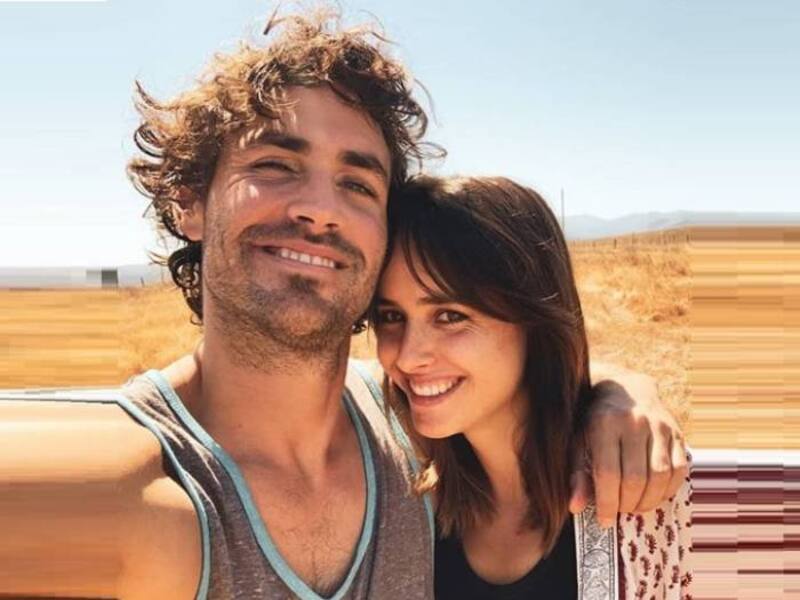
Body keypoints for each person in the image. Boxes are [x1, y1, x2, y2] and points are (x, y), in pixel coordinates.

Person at [0, 10, 688, 600]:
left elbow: (517, 367)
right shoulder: (132, 479)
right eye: (275, 165)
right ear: (189, 202)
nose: (320, 210)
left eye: (358, 185)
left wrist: (618, 396)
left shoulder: (410, 429)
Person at [374, 175, 692, 600]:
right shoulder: (411, 503)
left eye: (450, 316)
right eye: (391, 317)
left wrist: (627, 392)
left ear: (534, 321)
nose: (408, 357)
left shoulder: (654, 496)